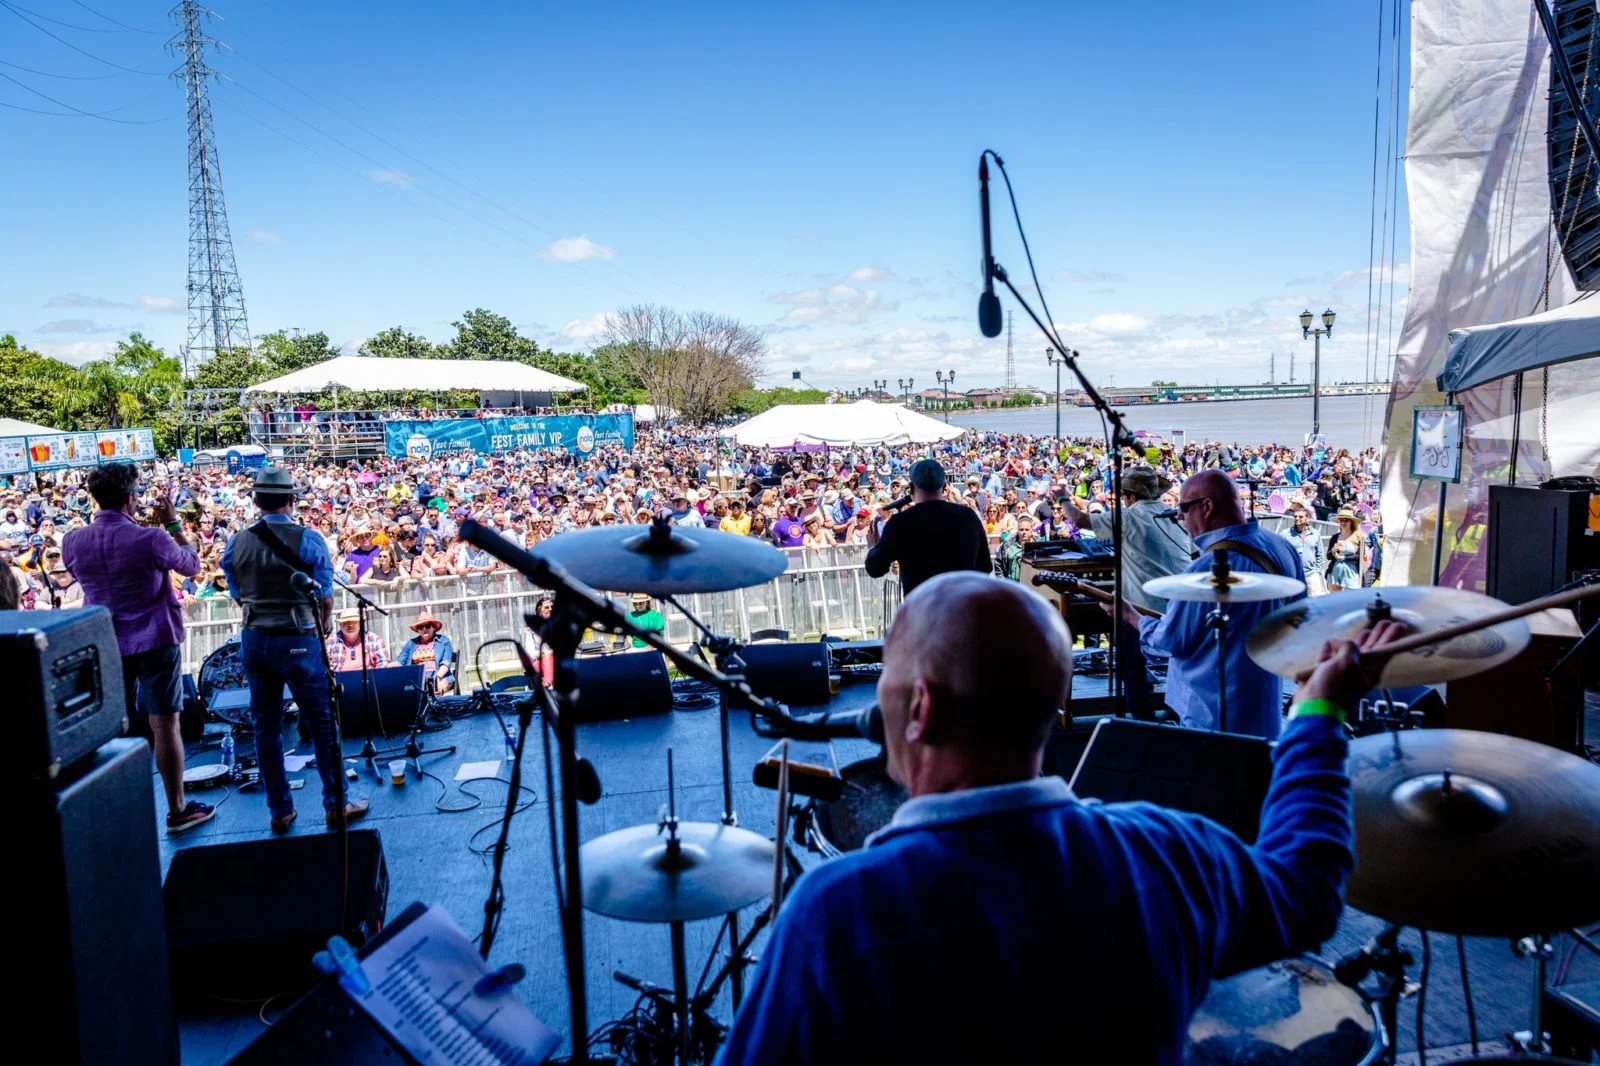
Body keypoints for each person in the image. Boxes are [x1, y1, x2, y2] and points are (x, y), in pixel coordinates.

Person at [716, 571, 1404, 1066]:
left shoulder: (838, 917)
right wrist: (1318, 712)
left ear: (920, 707)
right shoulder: (1169, 854)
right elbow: (1307, 893)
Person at [60, 462, 214, 833]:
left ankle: (109, 812)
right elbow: (193, 566)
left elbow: (80, 576)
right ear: (131, 497)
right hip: (155, 639)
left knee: (109, 726)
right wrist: (174, 523)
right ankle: (178, 809)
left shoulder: (72, 541)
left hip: (106, 641)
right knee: (165, 724)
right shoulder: (151, 538)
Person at [220, 466, 368, 832]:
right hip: (298, 635)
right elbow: (327, 596)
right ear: (291, 500)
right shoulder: (309, 539)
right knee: (320, 720)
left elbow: (235, 588)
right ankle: (337, 803)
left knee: (265, 726)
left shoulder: (237, 541)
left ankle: (280, 811)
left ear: (255, 501)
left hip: (254, 638)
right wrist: (325, 624)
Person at [1126, 470, 1306, 739]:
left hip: (1211, 710)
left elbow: (1172, 641)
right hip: (1266, 701)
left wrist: (1132, 617)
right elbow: (1298, 617)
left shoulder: (1204, 569)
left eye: (1184, 508)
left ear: (1207, 506)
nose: (1179, 517)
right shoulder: (1281, 546)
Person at [863, 459, 990, 594]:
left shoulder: (900, 522)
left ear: (911, 488)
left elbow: (875, 569)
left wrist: (872, 547)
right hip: (961, 608)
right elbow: (985, 568)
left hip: (921, 610)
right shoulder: (968, 516)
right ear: (944, 487)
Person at [398, 611, 454, 695]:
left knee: (438, 688)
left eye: (427, 626)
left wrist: (437, 678)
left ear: (434, 628)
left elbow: (446, 664)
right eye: (421, 627)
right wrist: (389, 666)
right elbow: (400, 661)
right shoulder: (411, 643)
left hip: (440, 677)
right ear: (418, 630)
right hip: (417, 681)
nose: (424, 629)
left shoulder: (444, 641)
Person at [1282, 505, 1329, 595]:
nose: (1297, 519)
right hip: (1293, 575)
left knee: (1313, 602)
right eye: (1295, 516)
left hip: (1311, 575)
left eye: (1300, 517)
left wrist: (1317, 571)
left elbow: (1320, 554)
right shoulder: (1286, 534)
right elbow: (1281, 553)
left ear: (1307, 519)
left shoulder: (1315, 534)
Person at [327, 606, 390, 672]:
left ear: (360, 623)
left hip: (368, 681)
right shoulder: (331, 641)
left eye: (354, 622)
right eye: (346, 622)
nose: (350, 625)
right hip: (339, 681)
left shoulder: (373, 639)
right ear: (340, 624)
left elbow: (384, 663)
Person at [1327, 509, 1368, 592]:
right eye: (1340, 520)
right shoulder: (1334, 537)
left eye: (1345, 520)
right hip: (1335, 571)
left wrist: (1343, 557)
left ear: (1351, 522)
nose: (1342, 522)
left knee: (1351, 598)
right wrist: (1333, 550)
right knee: (1334, 599)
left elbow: (1360, 556)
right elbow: (1328, 556)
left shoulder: (1359, 536)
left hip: (1352, 572)